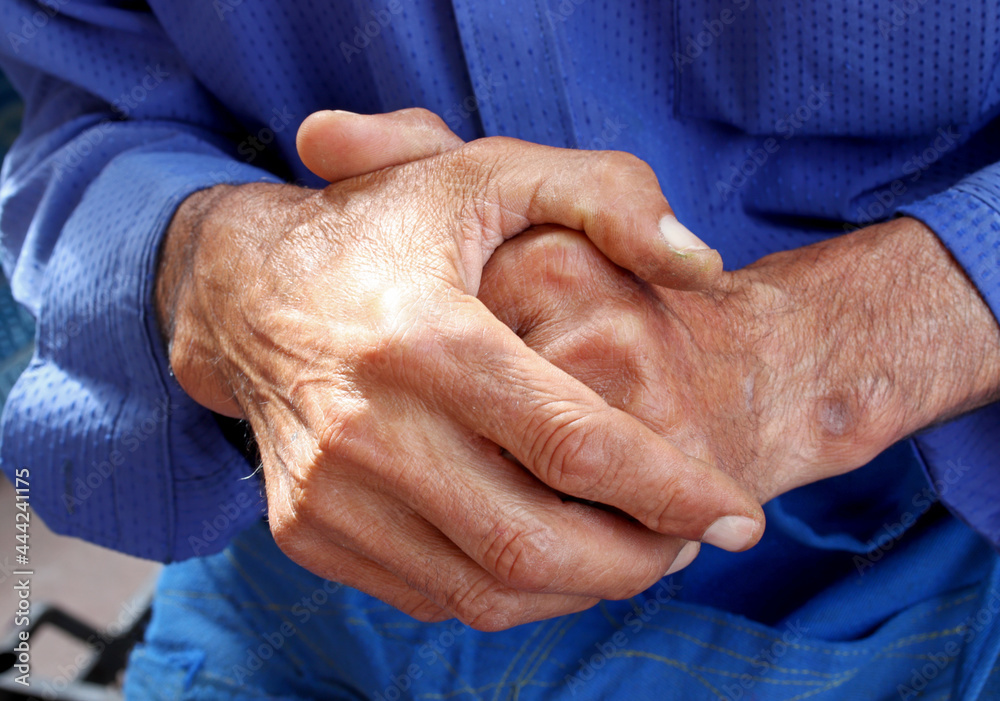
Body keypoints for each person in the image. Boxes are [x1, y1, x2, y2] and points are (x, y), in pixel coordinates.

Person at [1, 0, 999, 698]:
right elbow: (77, 115)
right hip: (321, 567)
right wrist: (233, 273)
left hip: (950, 551)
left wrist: (830, 346)